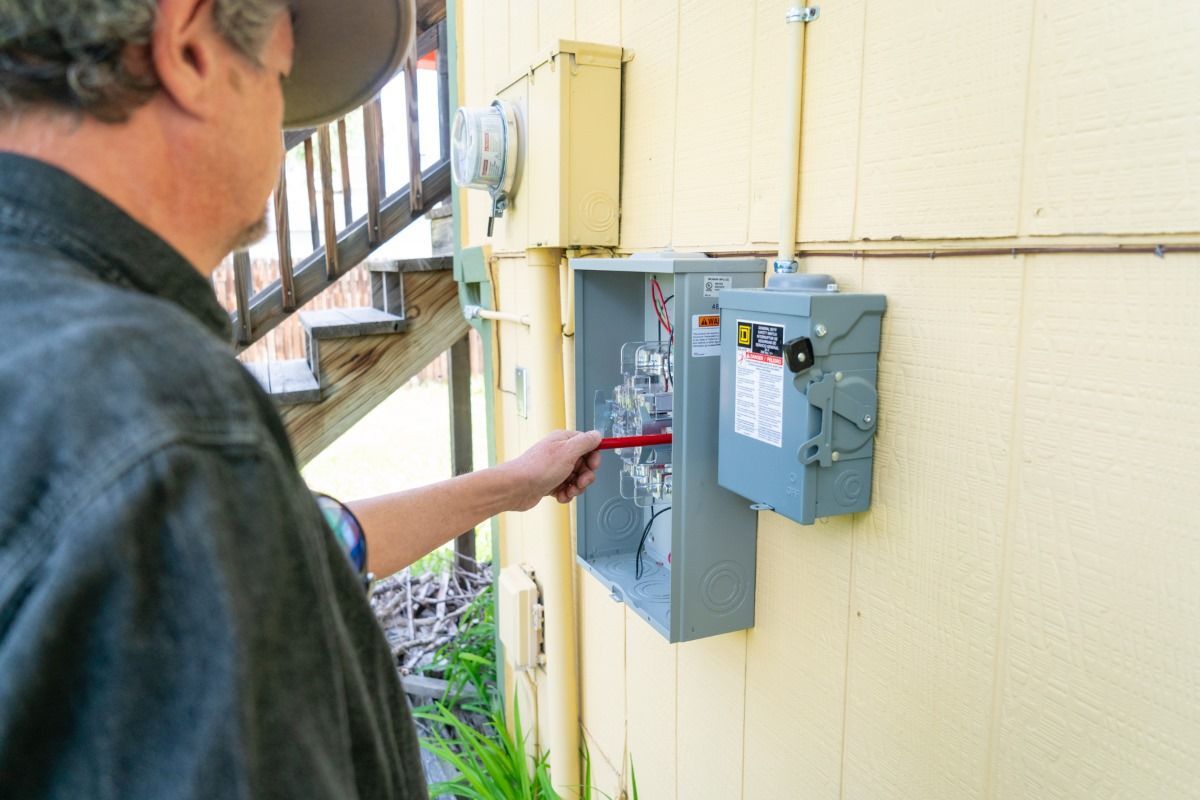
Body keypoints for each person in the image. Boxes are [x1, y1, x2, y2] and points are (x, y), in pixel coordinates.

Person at [0, 0, 602, 797]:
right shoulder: (165, 421)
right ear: (190, 47)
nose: (284, 128)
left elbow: (320, 542)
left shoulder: (57, 363)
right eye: (281, 78)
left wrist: (513, 483)